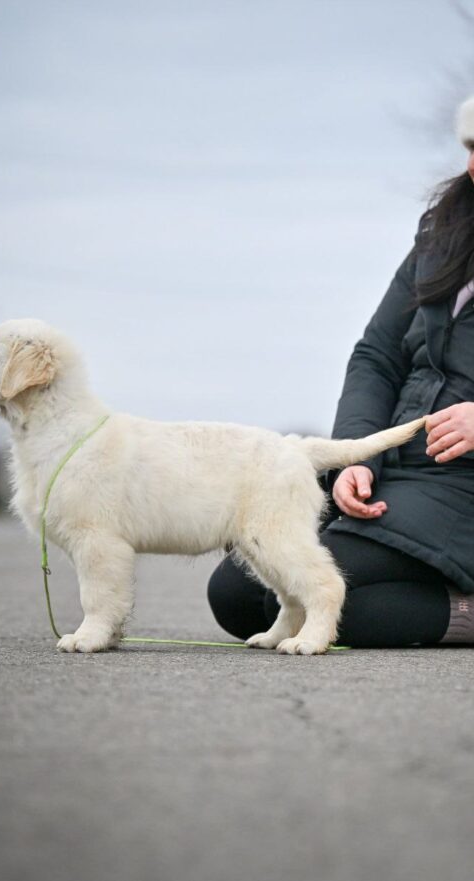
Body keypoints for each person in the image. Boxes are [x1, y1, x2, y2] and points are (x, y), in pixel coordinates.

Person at [207, 95, 474, 648]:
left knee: (325, 605)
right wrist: (357, 455)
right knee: (236, 594)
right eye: (472, 147)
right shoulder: (442, 234)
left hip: (462, 486)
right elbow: (377, 356)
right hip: (397, 466)